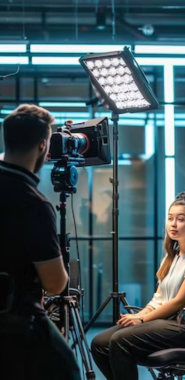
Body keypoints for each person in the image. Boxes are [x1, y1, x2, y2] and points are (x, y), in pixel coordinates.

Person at [91, 191, 185, 380]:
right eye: (170, 218)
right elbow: (157, 300)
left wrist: (142, 321)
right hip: (167, 323)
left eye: (181, 219)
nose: (173, 224)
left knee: (120, 339)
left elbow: (179, 302)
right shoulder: (171, 256)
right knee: (99, 343)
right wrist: (138, 316)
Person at [0, 104, 81, 380]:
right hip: (18, 323)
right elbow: (55, 284)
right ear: (43, 146)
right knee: (68, 368)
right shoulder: (34, 205)